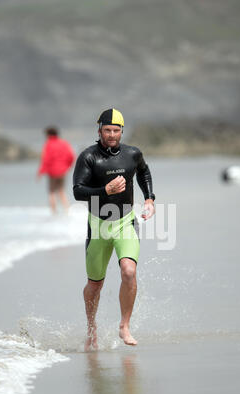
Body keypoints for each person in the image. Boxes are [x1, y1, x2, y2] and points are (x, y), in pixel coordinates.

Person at [73, 108, 155, 351]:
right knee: (95, 284)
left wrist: (149, 198)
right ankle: (91, 327)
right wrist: (104, 191)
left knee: (128, 272)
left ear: (121, 131)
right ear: (99, 130)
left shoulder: (132, 154)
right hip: (98, 226)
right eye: (107, 130)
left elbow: (143, 171)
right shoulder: (88, 157)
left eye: (115, 130)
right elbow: (78, 191)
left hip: (125, 222)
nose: (111, 134)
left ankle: (125, 326)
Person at [37, 127, 76, 213]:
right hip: (63, 171)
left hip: (52, 172)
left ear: (48, 135)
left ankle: (54, 213)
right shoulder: (64, 143)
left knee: (51, 193)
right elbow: (71, 156)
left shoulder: (48, 144)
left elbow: (45, 159)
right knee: (61, 191)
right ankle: (67, 211)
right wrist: (68, 166)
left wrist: (40, 172)